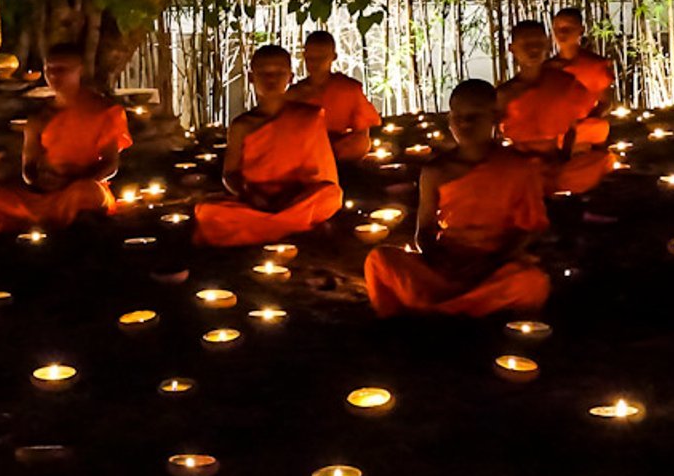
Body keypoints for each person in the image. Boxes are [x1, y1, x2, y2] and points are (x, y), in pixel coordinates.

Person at [363, 79, 550, 317]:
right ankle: (462, 308)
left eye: (473, 116)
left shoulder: (518, 167)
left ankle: (438, 310)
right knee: (379, 260)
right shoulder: (436, 171)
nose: (463, 124)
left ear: (495, 117)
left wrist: (491, 262)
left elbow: (531, 228)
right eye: (456, 116)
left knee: (532, 282)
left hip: (494, 267)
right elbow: (425, 231)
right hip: (445, 268)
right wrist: (441, 260)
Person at [193, 44, 342, 246]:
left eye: (279, 72)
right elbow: (230, 175)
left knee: (329, 196)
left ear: (290, 77)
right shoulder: (241, 125)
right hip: (258, 202)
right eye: (264, 72)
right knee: (208, 211)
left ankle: (276, 226)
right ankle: (295, 226)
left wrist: (294, 197)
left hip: (298, 199)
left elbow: (325, 177)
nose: (271, 79)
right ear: (251, 77)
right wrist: (251, 195)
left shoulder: (309, 117)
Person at [0, 44, 131, 232]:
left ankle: (44, 222)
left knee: (85, 193)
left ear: (80, 70)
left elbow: (110, 165)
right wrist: (39, 181)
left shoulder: (100, 110)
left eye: (61, 70)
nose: (53, 76)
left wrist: (72, 182)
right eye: (49, 69)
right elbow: (28, 168)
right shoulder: (40, 117)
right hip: (48, 194)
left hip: (82, 189)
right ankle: (48, 220)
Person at [497, 20, 610, 194]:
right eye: (526, 43)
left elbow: (572, 128)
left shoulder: (563, 82)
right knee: (511, 176)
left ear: (547, 44)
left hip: (554, 160)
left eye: (538, 43)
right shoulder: (505, 93)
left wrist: (563, 158)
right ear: (512, 48)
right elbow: (494, 138)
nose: (533, 48)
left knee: (600, 160)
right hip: (520, 163)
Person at [287, 30, 382, 161]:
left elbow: (362, 130)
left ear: (334, 56)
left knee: (362, 143)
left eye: (321, 58)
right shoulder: (295, 93)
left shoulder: (348, 88)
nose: (316, 63)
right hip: (307, 149)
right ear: (304, 56)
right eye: (311, 58)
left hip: (339, 148)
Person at [545, 8, 615, 146]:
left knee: (598, 127)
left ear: (581, 30)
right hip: (554, 129)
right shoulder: (547, 68)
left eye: (568, 27)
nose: (562, 32)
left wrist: (582, 122)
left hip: (584, 127)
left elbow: (605, 103)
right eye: (557, 28)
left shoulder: (594, 65)